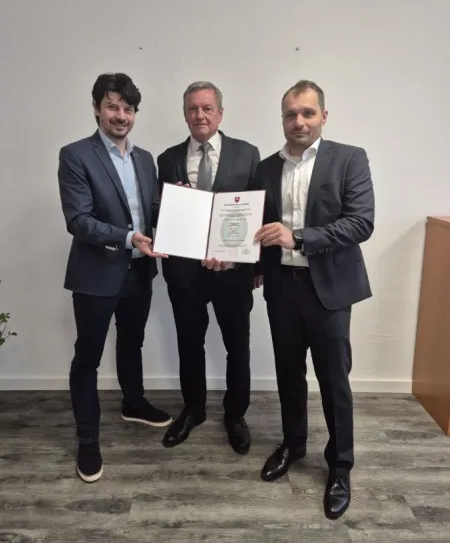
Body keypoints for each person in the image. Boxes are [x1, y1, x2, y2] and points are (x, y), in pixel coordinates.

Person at [254, 80, 374, 520]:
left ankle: (340, 466)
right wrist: (242, 259)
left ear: (324, 115)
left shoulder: (350, 158)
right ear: (282, 119)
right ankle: (294, 444)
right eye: (291, 114)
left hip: (329, 290)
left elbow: (360, 223)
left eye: (307, 112)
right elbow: (256, 225)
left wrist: (299, 237)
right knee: (288, 373)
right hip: (281, 287)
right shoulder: (265, 168)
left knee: (333, 380)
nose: (299, 121)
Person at [58, 73, 172, 483]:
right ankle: (88, 439)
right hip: (96, 273)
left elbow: (152, 210)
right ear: (96, 108)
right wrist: (127, 238)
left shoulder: (144, 159)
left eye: (128, 108)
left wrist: (180, 204)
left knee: (132, 341)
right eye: (112, 106)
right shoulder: (75, 155)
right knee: (87, 357)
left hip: (139, 271)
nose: (120, 115)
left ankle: (133, 402)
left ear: (135, 113)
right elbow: (78, 220)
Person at [157, 81, 260, 454]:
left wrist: (255, 263)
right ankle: (193, 410)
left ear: (220, 112)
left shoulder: (247, 154)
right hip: (184, 274)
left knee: (238, 346)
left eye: (207, 108)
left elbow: (257, 210)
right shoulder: (167, 159)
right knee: (189, 344)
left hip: (233, 272)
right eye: (192, 108)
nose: (199, 115)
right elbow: (158, 210)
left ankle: (236, 415)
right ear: (184, 113)